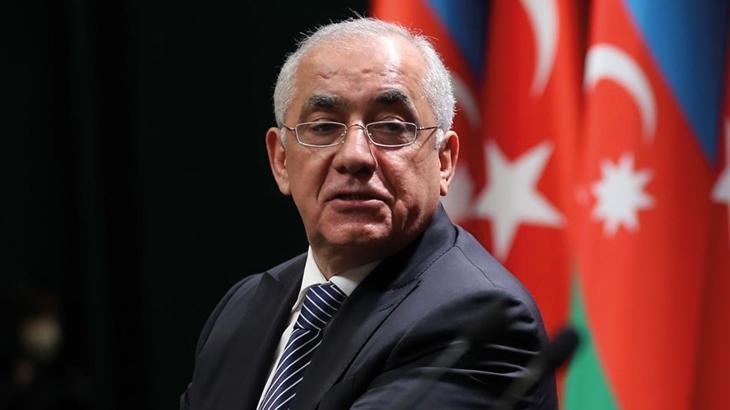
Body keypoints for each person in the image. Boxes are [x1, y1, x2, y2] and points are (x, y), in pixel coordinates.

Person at [181, 17, 557, 410]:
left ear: (444, 161)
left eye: (392, 127)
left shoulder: (481, 320)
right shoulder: (242, 308)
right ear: (281, 160)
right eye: (323, 128)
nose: (354, 156)